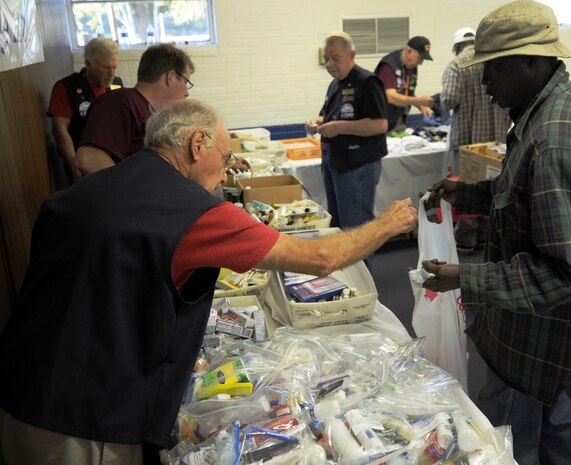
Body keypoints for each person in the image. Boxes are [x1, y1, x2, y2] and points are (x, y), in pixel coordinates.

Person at [0, 98, 417, 465]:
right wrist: (388, 223)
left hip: (20, 381)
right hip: (80, 416)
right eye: (225, 155)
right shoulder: (193, 211)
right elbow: (322, 257)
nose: (223, 174)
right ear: (197, 144)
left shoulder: (85, 190)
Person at [421, 2, 571, 464]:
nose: (484, 82)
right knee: (561, 438)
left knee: (509, 446)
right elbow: (526, 196)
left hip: (538, 348)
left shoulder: (554, 138)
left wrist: (465, 278)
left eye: (492, 69)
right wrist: (466, 194)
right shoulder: (558, 103)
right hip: (556, 346)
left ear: (532, 60)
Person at [306, 32, 388, 266]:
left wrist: (339, 127)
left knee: (357, 228)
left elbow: (380, 124)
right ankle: (349, 280)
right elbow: (331, 115)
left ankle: (365, 287)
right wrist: (318, 122)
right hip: (335, 162)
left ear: (352, 55)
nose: (330, 65)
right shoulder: (335, 84)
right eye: (326, 59)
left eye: (335, 58)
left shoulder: (367, 82)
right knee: (339, 226)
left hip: (357, 165)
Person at [437, 27, 511, 255]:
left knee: (467, 190)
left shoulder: (456, 65)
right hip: (496, 141)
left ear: (457, 46)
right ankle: (485, 236)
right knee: (492, 189)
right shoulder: (496, 61)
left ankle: (466, 241)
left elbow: (450, 99)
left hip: (467, 143)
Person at [75, 43, 194, 176]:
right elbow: (88, 158)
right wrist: (133, 191)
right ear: (170, 77)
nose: (186, 93)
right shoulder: (120, 103)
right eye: (185, 82)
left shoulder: (149, 112)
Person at [47, 37, 122, 185]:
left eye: (114, 67)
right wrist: (76, 170)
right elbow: (60, 131)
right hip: (83, 162)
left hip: (112, 160)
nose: (112, 73)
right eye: (106, 67)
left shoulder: (117, 84)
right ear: (88, 64)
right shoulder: (66, 87)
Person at [374, 36, 435, 132]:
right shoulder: (388, 65)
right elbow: (391, 96)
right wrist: (418, 101)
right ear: (409, 51)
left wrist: (420, 105)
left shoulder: (411, 66)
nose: (421, 63)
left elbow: (405, 89)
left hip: (398, 118)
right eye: (420, 58)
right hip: (380, 120)